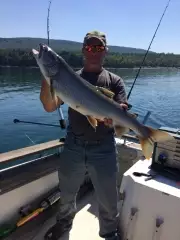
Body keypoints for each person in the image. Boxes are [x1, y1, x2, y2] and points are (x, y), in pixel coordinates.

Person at [41, 30, 129, 240]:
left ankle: (109, 233)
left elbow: (121, 109)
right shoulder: (69, 77)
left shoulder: (115, 81)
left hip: (104, 147)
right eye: (90, 47)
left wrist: (118, 116)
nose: (94, 51)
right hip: (74, 145)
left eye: (98, 47)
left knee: (108, 197)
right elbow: (49, 106)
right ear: (83, 50)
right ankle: (64, 223)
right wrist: (47, 78)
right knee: (67, 192)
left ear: (105, 51)